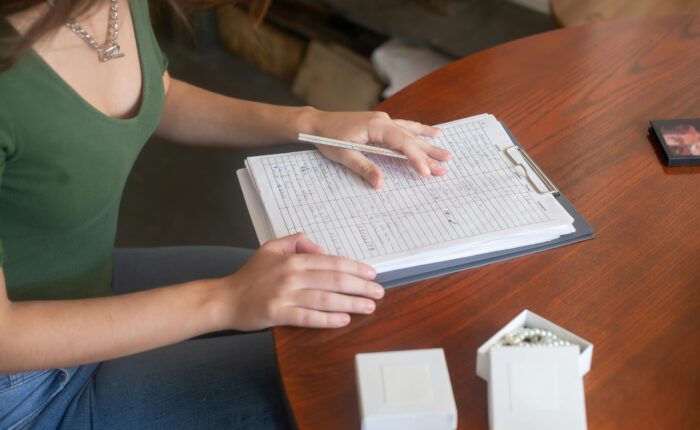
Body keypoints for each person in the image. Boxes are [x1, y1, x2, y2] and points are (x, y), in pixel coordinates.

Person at [0, 0, 451, 428]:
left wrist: (312, 123)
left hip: (89, 281)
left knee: (337, 303)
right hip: (28, 394)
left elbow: (153, 92)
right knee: (338, 383)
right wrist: (226, 300)